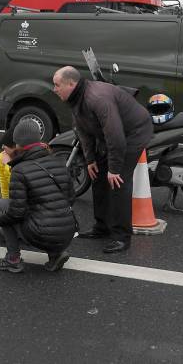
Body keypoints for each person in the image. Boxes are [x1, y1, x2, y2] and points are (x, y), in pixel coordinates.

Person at [53, 65, 153, 254]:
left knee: (118, 182)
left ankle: (122, 237)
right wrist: (90, 160)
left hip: (134, 132)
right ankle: (102, 226)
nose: (54, 89)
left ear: (71, 84)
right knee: (98, 175)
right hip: (109, 135)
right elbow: (83, 130)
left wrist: (114, 169)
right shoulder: (76, 98)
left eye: (57, 85)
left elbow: (116, 138)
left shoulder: (96, 98)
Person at [0, 118, 74, 273]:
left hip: (42, 233)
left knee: (3, 205)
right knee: (46, 211)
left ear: (17, 144)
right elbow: (70, 198)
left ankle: (13, 259)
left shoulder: (20, 170)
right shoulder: (58, 161)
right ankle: (55, 254)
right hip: (68, 231)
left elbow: (16, 213)